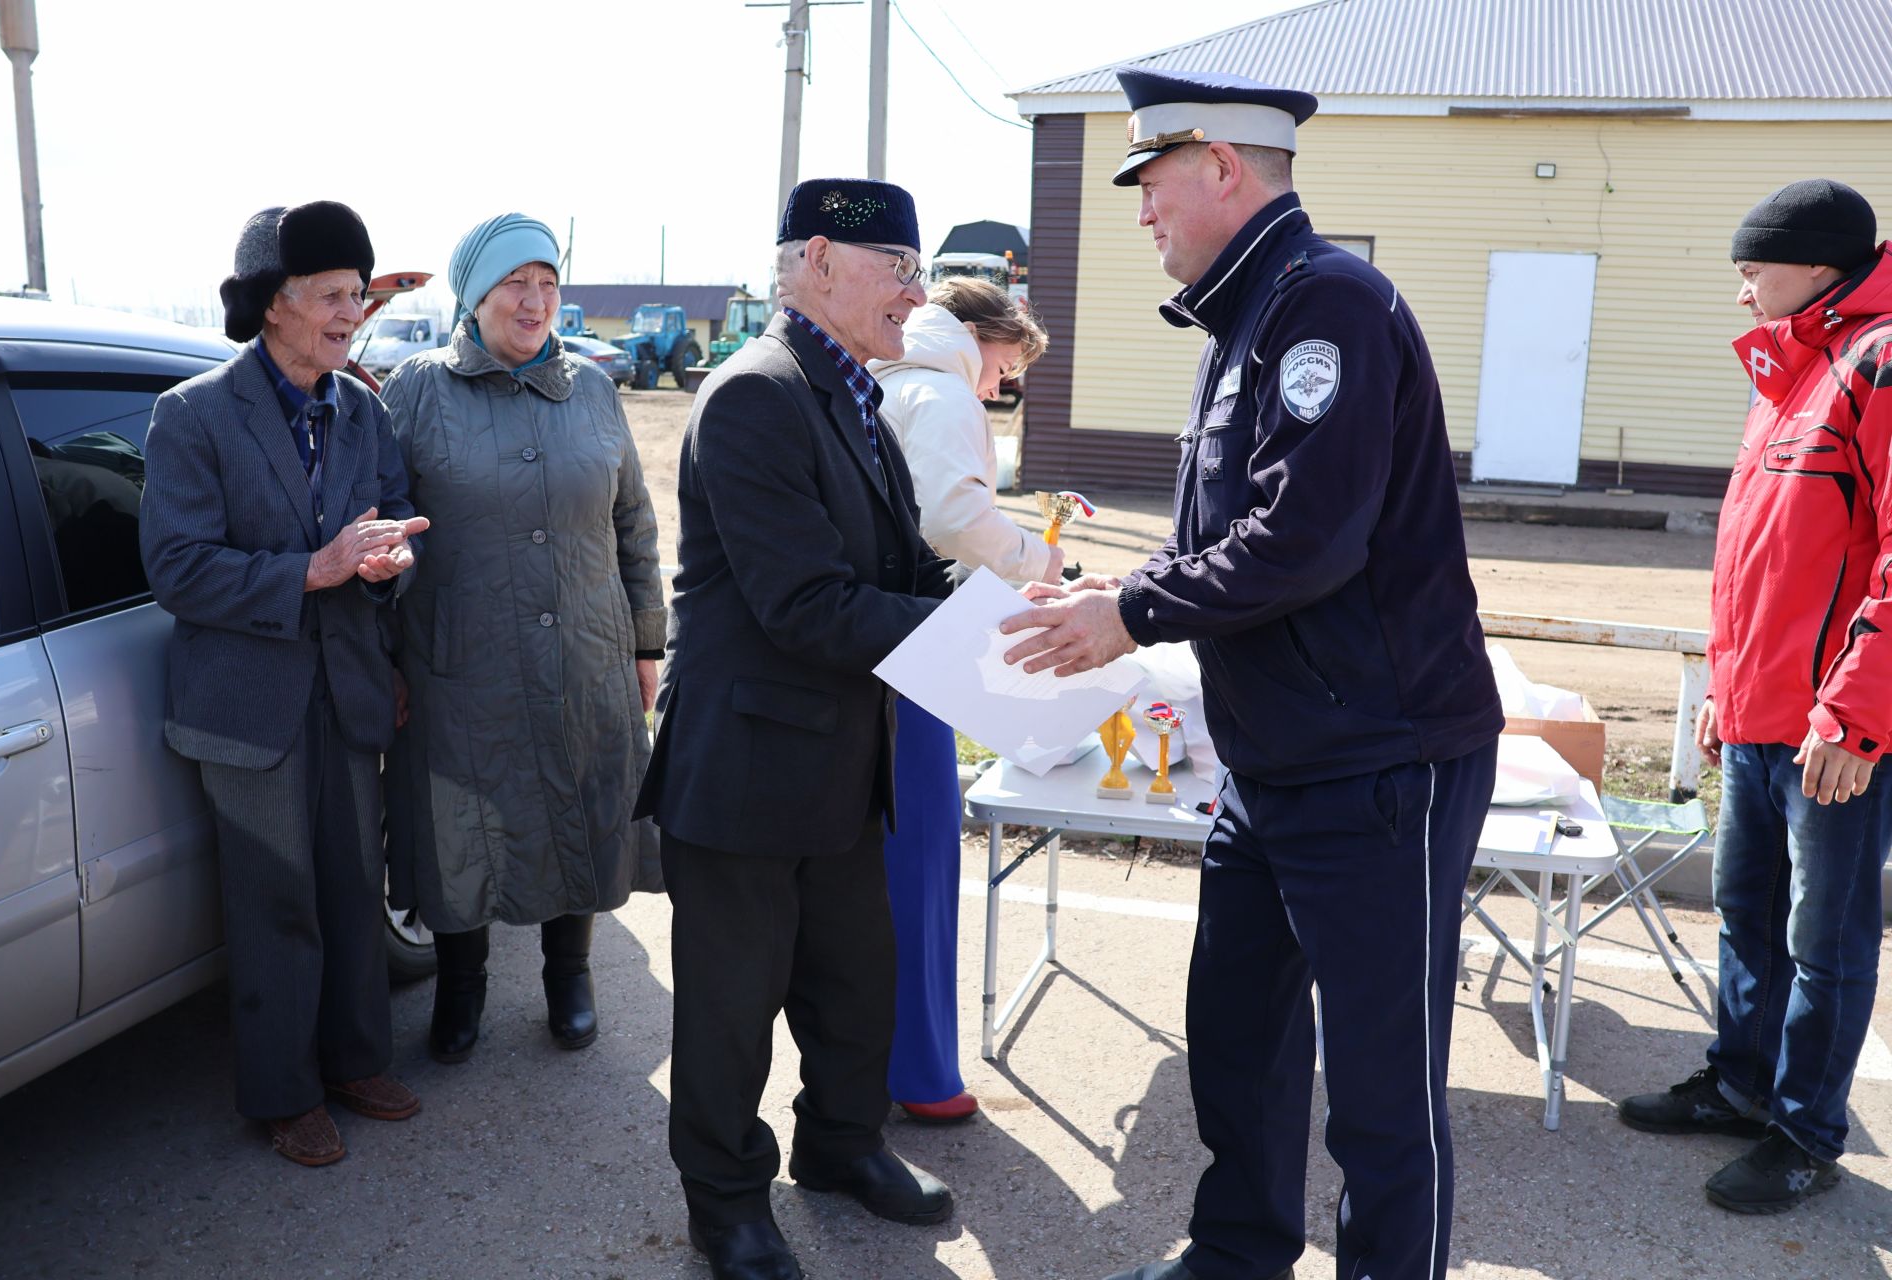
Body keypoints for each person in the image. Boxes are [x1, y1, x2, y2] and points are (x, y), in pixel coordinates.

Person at [997, 68, 1504, 1280]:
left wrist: (1130, 611)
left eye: (1150, 179)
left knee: (1380, 1090)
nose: (1139, 212)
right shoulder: (1253, 312)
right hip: (1273, 759)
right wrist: (1108, 591)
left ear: (1222, 165)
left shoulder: (1323, 302)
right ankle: (1236, 1253)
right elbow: (1227, 526)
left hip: (1378, 759)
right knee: (1237, 1034)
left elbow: (1306, 540)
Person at [633, 177, 959, 1280]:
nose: (915, 297)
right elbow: (807, 604)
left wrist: (1011, 604)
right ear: (818, 260)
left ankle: (839, 1147)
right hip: (748, 767)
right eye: (897, 271)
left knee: (855, 980)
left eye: (915, 272)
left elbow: (899, 566)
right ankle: (725, 1202)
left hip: (839, 761)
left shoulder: (854, 394)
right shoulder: (756, 394)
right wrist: (969, 632)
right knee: (731, 1009)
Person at [1619, 180, 1892, 1213]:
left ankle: (1806, 1130)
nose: (1741, 294)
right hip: (1759, 714)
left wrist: (1859, 716)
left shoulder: (1880, 360)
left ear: (1817, 264)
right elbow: (1759, 560)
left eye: (1751, 270)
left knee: (1825, 943)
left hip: (1835, 731)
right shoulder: (1788, 372)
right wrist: (1725, 686)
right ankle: (1742, 1083)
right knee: (1749, 911)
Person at [140, 201, 428, 1167]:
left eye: (359, 294)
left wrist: (389, 560)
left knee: (352, 884)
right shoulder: (192, 416)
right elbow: (176, 567)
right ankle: (283, 1091)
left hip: (344, 689)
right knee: (275, 900)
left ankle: (354, 1059)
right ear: (274, 303)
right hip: (245, 702)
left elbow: (396, 522)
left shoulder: (364, 408)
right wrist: (315, 569)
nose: (354, 313)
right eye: (334, 295)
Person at [380, 213, 666, 1064]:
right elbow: (382, 528)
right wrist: (391, 654)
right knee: (462, 825)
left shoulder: (594, 389)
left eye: (547, 282)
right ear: (474, 296)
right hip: (461, 657)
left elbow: (634, 525)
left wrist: (646, 643)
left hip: (585, 647)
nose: (535, 300)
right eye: (514, 283)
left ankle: (567, 977)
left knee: (579, 803)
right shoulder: (418, 390)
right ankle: (462, 986)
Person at [868, 278, 1053, 1124]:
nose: (1001, 385)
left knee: (880, 866)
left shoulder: (891, 375)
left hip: (875, 640)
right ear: (984, 334)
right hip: (918, 646)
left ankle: (882, 1062)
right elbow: (952, 519)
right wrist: (1036, 562)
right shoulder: (942, 393)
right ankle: (923, 1073)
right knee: (924, 862)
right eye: (1007, 365)